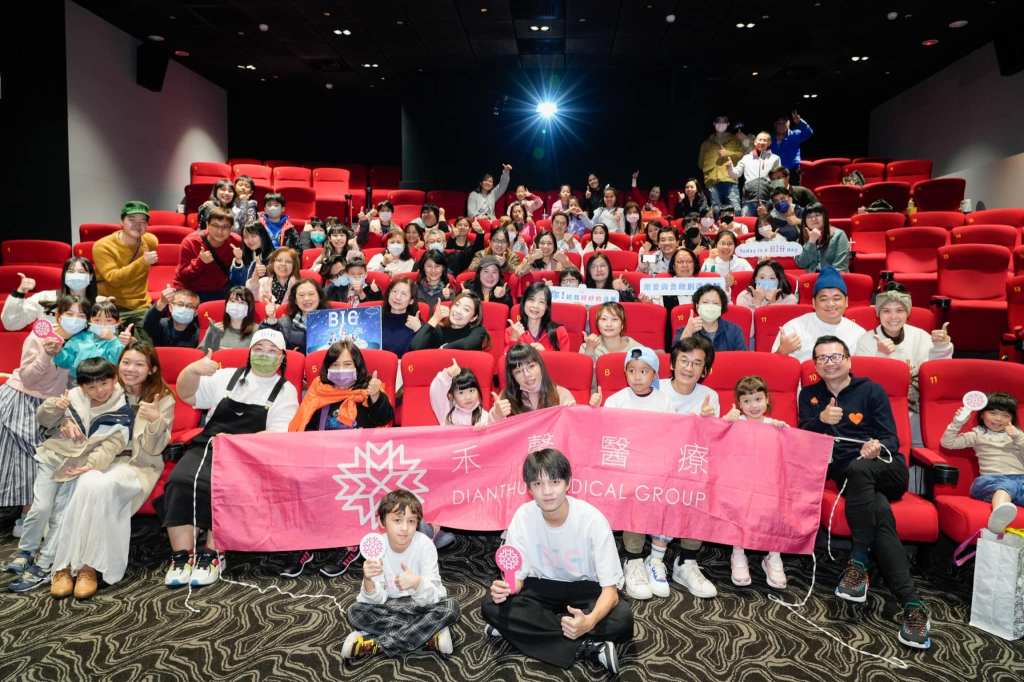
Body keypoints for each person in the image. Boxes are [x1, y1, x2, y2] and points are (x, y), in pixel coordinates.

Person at [798, 335, 931, 650]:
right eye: (823, 358)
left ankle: (858, 561)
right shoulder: (810, 395)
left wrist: (876, 447)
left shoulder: (871, 390)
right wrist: (821, 421)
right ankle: (912, 604)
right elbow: (802, 440)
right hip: (850, 476)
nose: (830, 363)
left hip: (886, 468)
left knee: (861, 469)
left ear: (848, 360)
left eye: (836, 356)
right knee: (879, 511)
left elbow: (891, 439)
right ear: (815, 365)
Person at [159, 329, 299, 588]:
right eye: (259, 349)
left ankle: (213, 555)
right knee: (180, 481)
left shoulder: (285, 391)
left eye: (272, 351)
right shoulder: (226, 376)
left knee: (223, 487)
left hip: (249, 455)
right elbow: (187, 395)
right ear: (250, 352)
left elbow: (278, 436)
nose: (264, 355)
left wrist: (236, 442)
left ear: (282, 357)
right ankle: (182, 557)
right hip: (209, 445)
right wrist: (192, 370)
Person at [482, 449, 632, 674]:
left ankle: (523, 630)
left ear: (568, 483)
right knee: (491, 605)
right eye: (538, 484)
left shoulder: (592, 520)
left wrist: (590, 621)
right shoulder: (523, 516)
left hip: (585, 588)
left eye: (554, 482)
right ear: (529, 488)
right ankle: (588, 646)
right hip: (540, 586)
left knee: (622, 619)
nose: (547, 491)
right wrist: (507, 588)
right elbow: (517, 579)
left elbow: (610, 592)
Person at [48, 341, 175, 598]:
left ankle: (85, 567)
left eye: (139, 364)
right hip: (97, 458)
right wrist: (64, 421)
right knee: (87, 482)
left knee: (99, 484)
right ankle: (66, 566)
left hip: (135, 464)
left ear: (151, 369)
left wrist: (156, 422)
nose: (130, 369)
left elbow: (154, 449)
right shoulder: (106, 387)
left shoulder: (162, 398)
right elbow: (73, 408)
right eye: (126, 362)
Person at [6, 358, 133, 593]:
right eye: (91, 387)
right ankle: (26, 550)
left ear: (114, 379)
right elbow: (44, 419)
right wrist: (58, 409)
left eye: (104, 384)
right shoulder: (72, 397)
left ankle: (44, 564)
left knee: (61, 516)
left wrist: (91, 465)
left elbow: (113, 444)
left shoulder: (122, 408)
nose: (99, 391)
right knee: (40, 508)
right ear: (82, 387)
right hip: (52, 458)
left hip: (77, 467)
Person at [285, 339, 393, 579]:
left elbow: (384, 418)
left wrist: (376, 395)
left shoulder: (368, 389)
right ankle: (305, 545)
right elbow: (304, 427)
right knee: (302, 483)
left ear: (357, 366)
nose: (341, 370)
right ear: (327, 368)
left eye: (347, 364)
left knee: (351, 487)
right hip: (320, 459)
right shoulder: (318, 389)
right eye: (335, 364)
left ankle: (349, 546)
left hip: (356, 462)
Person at [344, 489, 460, 659]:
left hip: (421, 605)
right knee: (355, 612)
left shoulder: (425, 545)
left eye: (411, 521)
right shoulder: (377, 547)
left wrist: (417, 583)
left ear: (417, 523)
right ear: (382, 521)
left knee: (450, 607)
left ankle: (377, 645)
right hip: (390, 606)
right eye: (397, 520)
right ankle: (428, 635)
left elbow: (435, 595)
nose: (405, 528)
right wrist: (368, 581)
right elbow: (376, 600)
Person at [602, 347, 678, 602]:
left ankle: (656, 559)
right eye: (632, 370)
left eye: (644, 371)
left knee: (670, 489)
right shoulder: (615, 401)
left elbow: (672, 437)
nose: (637, 376)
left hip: (657, 467)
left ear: (654, 374)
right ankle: (633, 558)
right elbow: (607, 438)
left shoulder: (664, 401)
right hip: (625, 468)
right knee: (633, 490)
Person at [0, 296, 77, 533]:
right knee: (18, 462)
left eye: (81, 315)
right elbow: (28, 378)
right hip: (21, 400)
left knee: (42, 464)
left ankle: (31, 520)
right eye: (69, 314)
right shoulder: (40, 336)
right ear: (58, 315)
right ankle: (24, 520)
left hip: (55, 406)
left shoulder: (83, 341)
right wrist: (46, 354)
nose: (75, 319)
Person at [658, 336, 720, 598]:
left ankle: (686, 561)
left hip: (690, 464)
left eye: (697, 363)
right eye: (684, 361)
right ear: (672, 364)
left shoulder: (710, 396)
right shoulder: (654, 387)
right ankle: (651, 558)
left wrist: (706, 423)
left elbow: (710, 443)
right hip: (656, 461)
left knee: (703, 483)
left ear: (705, 370)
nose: (689, 368)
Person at [853, 284, 954, 444]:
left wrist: (941, 347)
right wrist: (881, 356)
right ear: (878, 314)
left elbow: (937, 374)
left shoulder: (920, 336)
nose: (893, 317)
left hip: (916, 404)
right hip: (881, 405)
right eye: (886, 311)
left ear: (908, 313)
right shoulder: (866, 340)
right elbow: (863, 384)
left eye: (899, 310)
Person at [721, 376, 789, 589]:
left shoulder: (773, 425)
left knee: (774, 511)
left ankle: (773, 555)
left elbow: (790, 447)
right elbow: (717, 433)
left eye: (758, 399)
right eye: (747, 401)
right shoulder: (736, 423)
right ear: (739, 404)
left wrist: (783, 431)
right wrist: (727, 420)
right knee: (739, 510)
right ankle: (738, 553)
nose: (753, 406)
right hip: (740, 483)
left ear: (767, 399)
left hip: (768, 484)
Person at [941, 392, 1024, 535]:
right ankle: (999, 515)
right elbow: (947, 443)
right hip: (992, 480)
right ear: (982, 415)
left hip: (1020, 480)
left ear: (1012, 419)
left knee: (1014, 486)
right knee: (1005, 487)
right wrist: (958, 422)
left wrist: (1017, 437)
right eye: (993, 413)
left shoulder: (1018, 435)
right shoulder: (977, 434)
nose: (998, 419)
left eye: (1005, 415)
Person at [772, 267, 866, 362]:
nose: (830, 304)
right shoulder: (794, 329)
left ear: (846, 301)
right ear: (813, 303)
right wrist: (782, 352)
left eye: (836, 299)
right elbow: (774, 367)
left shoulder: (859, 334)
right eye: (823, 299)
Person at [93, 201, 159, 327]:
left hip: (140, 306)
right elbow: (113, 279)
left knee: (149, 337)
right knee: (109, 338)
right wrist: (143, 262)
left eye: (142, 221)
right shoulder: (103, 246)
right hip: (111, 305)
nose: (137, 225)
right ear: (122, 222)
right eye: (132, 220)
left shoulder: (150, 241)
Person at [3, 258, 99, 331]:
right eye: (71, 271)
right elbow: (11, 324)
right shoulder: (44, 297)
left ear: (90, 276)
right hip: (47, 349)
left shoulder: (100, 304)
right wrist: (20, 292)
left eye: (81, 272)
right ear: (65, 275)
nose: (76, 275)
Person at [491, 344, 576, 419]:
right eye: (518, 371)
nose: (527, 375)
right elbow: (490, 429)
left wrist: (571, 414)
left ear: (541, 366)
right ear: (512, 376)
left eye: (531, 366)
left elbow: (574, 428)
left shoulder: (561, 395)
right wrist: (497, 415)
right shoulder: (505, 398)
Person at [54, 300, 131, 382]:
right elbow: (64, 363)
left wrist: (112, 340)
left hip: (104, 383)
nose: (102, 324)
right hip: (76, 382)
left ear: (118, 322)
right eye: (97, 320)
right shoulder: (79, 338)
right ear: (90, 321)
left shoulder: (117, 343)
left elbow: (119, 361)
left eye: (108, 320)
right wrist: (58, 352)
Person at [261, 278, 330, 352]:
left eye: (311, 294)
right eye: (301, 295)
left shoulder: (333, 321)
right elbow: (264, 342)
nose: (306, 298)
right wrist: (271, 319)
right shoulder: (285, 323)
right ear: (295, 301)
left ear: (319, 297)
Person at [673, 284, 747, 351]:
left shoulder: (734, 331)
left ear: (721, 307)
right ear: (697, 306)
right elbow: (676, 357)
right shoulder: (685, 330)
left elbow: (742, 358)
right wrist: (688, 333)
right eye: (705, 302)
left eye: (715, 303)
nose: (710, 306)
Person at [698, 115, 747, 212]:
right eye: (718, 121)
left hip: (730, 180)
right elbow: (700, 163)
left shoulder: (735, 140)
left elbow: (744, 156)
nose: (721, 124)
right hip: (712, 182)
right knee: (716, 211)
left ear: (728, 124)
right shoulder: (706, 143)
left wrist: (728, 153)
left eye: (724, 122)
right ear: (714, 124)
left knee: (735, 210)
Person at [726, 131, 782, 216]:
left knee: (766, 224)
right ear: (755, 142)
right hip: (749, 200)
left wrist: (777, 199)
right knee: (746, 222)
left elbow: (778, 181)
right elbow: (735, 174)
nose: (762, 142)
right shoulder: (746, 158)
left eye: (765, 140)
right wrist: (730, 167)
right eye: (760, 140)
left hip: (767, 201)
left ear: (769, 143)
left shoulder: (775, 158)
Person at [409, 292, 488, 351]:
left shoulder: (478, 330)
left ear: (473, 318)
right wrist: (435, 318)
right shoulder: (439, 329)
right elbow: (415, 347)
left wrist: (443, 348)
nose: (458, 311)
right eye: (457, 305)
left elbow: (467, 345)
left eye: (466, 309)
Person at [505, 283, 569, 352]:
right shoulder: (512, 331)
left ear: (547, 307)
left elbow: (564, 359)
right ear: (523, 303)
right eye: (531, 300)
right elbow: (507, 358)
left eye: (541, 302)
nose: (535, 306)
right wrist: (514, 339)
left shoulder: (559, 332)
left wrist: (545, 354)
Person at [430, 358, 491, 426]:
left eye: (471, 391)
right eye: (461, 393)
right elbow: (435, 392)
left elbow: (494, 427)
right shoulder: (446, 412)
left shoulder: (483, 416)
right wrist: (447, 375)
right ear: (451, 396)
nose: (468, 397)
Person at [199, 286, 258, 352]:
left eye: (241, 302)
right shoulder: (215, 328)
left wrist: (230, 353)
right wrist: (211, 339)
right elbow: (200, 353)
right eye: (232, 301)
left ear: (249, 308)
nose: (235, 305)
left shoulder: (257, 331)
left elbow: (260, 355)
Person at [795, 204, 850, 273]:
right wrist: (811, 242)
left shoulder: (839, 235)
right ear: (804, 221)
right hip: (811, 277)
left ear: (825, 217)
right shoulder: (802, 238)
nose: (813, 219)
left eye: (817, 215)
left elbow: (841, 268)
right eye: (809, 217)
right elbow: (801, 264)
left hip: (834, 277)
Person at [381, 279, 421, 358]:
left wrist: (419, 331)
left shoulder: (415, 324)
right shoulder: (375, 318)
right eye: (394, 291)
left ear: (411, 301)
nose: (397, 297)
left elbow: (422, 355)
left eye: (404, 294)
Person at [770, 111, 813, 186]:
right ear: (775, 125)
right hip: (776, 172)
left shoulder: (795, 134)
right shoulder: (770, 138)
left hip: (793, 172)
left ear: (788, 123)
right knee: (777, 192)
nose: (781, 125)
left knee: (794, 192)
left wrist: (800, 122)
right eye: (779, 123)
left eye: (784, 123)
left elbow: (809, 132)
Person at [229, 222, 274, 287]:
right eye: (246, 237)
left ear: (262, 236)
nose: (250, 240)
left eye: (253, 236)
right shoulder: (243, 256)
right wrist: (238, 261)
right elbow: (237, 284)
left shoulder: (274, 257)